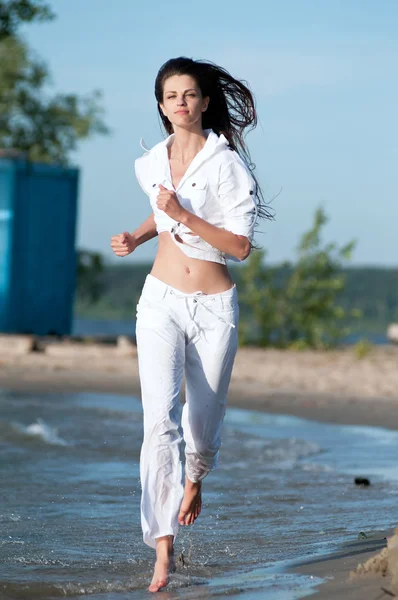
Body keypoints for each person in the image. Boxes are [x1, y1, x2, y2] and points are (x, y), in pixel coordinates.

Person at [110, 56, 271, 593]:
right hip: (158, 301)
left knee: (202, 425)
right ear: (161, 106)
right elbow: (162, 210)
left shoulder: (228, 166)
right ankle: (163, 550)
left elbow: (240, 247)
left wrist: (183, 216)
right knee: (159, 422)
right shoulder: (149, 162)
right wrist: (138, 236)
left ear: (204, 102)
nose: (181, 102)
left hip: (213, 308)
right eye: (171, 95)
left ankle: (195, 479)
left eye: (190, 94)